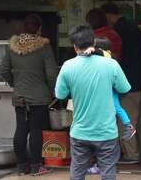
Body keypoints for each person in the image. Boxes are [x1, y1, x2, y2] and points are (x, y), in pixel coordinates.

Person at [55, 25, 131, 180]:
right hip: (106, 132)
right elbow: (124, 89)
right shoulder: (111, 65)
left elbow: (60, 94)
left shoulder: (68, 66)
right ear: (93, 42)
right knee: (108, 174)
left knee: (77, 173)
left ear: (75, 46)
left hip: (80, 133)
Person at [1, 14, 58, 176]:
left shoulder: (12, 46)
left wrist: (15, 84)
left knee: (21, 129)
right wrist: (54, 91)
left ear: (23, 28)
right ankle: (36, 165)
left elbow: (4, 70)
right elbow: (51, 73)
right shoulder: (44, 47)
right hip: (39, 97)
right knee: (35, 130)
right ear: (39, 28)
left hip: (20, 97)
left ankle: (21, 165)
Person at [101, 2, 141, 164]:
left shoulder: (117, 32)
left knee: (126, 120)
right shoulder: (133, 27)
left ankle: (132, 155)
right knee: (138, 120)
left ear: (108, 15)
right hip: (140, 80)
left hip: (127, 82)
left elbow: (118, 59)